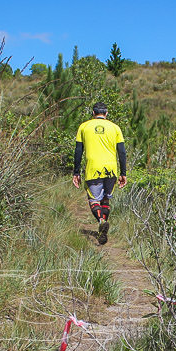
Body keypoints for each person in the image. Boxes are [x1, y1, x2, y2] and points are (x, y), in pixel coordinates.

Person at [72, 101, 127, 244]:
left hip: (93, 169)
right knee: (105, 200)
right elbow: (122, 152)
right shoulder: (115, 128)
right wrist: (123, 173)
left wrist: (76, 172)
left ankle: (101, 221)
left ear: (93, 113)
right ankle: (102, 229)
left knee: (94, 200)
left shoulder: (84, 127)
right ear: (106, 114)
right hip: (111, 169)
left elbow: (78, 151)